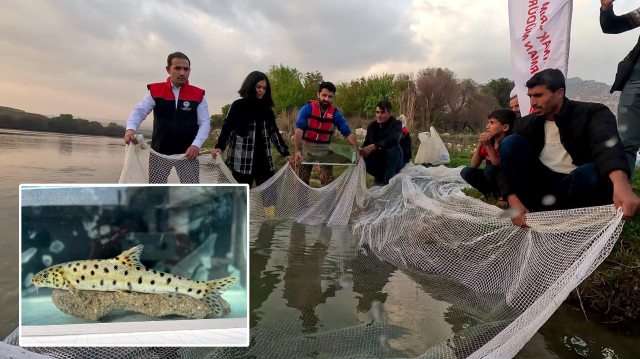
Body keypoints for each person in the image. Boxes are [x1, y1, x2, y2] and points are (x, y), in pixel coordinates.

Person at [496, 69, 640, 227]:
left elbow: (607, 148)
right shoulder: (526, 123)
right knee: (509, 143)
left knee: (591, 172)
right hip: (540, 190)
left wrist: (622, 185)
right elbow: (505, 168)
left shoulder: (592, 113)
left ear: (559, 93)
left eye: (538, 95)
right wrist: (513, 200)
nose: (532, 103)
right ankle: (535, 211)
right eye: (530, 96)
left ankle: (573, 220)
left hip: (577, 186)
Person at [124, 52, 211, 183]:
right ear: (168, 69)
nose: (182, 73)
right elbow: (140, 111)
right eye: (177, 68)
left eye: (185, 69)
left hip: (188, 153)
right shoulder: (155, 90)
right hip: (159, 152)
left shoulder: (198, 94)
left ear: (189, 71)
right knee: (157, 191)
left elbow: (205, 123)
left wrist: (196, 145)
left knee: (192, 193)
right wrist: (130, 129)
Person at [212, 71, 292, 187]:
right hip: (241, 161)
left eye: (264, 88)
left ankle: (268, 206)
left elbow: (274, 133)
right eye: (258, 87)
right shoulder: (237, 106)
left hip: (264, 162)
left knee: (270, 199)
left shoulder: (267, 110)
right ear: (250, 86)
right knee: (240, 197)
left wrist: (285, 153)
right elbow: (227, 129)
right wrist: (220, 147)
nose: (261, 91)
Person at [600, 0, 640, 181]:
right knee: (626, 142)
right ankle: (623, 198)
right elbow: (612, 26)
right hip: (636, 80)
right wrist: (606, 7)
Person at [293, 82, 360, 186]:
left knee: (328, 182)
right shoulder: (307, 109)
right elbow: (299, 129)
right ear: (318, 94)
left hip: (323, 152)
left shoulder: (336, 115)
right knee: (300, 184)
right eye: (324, 95)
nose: (326, 99)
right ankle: (302, 202)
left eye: (330, 97)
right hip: (305, 150)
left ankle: (329, 202)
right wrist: (297, 151)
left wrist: (357, 151)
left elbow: (347, 132)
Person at [461, 109, 515, 201]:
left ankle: (502, 196)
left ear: (505, 127)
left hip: (506, 180)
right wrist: (480, 144)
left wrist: (488, 147)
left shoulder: (510, 142)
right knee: (466, 172)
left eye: (492, 123)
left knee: (490, 169)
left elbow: (498, 165)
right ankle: (489, 194)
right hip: (491, 177)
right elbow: (474, 165)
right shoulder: (491, 142)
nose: (487, 127)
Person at [360, 100, 405, 186]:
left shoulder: (396, 124)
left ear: (389, 113)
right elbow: (366, 144)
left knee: (393, 147)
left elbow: (395, 139)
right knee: (362, 156)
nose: (379, 116)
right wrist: (360, 151)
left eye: (382, 112)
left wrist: (374, 146)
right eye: (377, 112)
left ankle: (389, 178)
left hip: (395, 162)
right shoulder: (372, 126)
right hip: (380, 160)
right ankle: (379, 177)